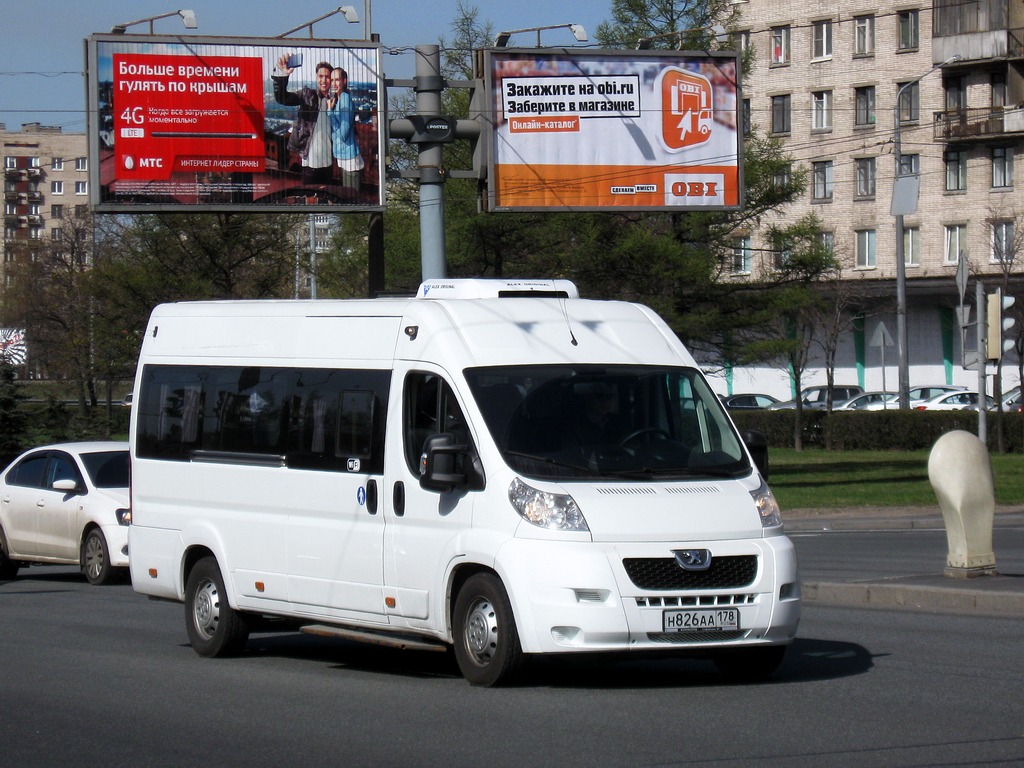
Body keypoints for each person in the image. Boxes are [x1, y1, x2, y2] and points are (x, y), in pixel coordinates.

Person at [272, 55, 334, 186]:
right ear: (316, 77)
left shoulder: (336, 101)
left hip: (329, 165)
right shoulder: (307, 96)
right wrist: (283, 75)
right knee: (310, 202)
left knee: (329, 204)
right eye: (321, 76)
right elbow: (282, 98)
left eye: (327, 76)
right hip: (310, 165)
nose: (324, 80)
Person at [327, 67, 364, 190]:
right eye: (332, 80)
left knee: (351, 200)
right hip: (344, 156)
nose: (334, 83)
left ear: (344, 81)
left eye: (337, 80)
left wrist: (330, 112)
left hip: (350, 158)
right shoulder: (339, 99)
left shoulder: (344, 99)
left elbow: (344, 134)